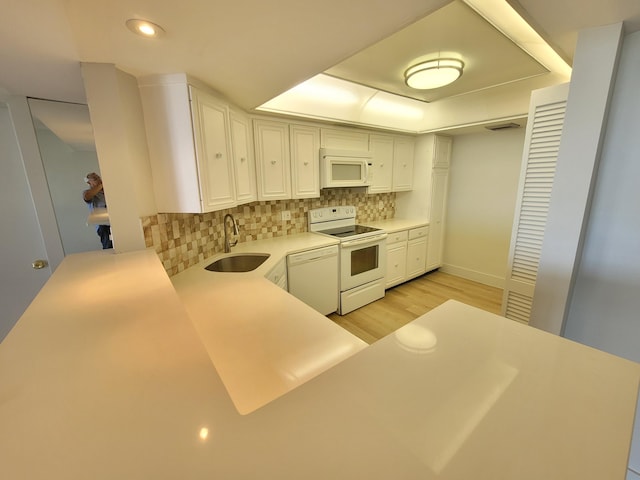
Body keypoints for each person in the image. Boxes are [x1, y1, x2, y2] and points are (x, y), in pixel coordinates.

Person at [83, 172, 113, 249]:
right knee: (109, 247)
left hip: (113, 223)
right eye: (95, 179)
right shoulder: (89, 193)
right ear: (89, 182)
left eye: (98, 177)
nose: (99, 179)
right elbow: (86, 196)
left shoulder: (107, 191)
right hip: (103, 226)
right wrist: (101, 185)